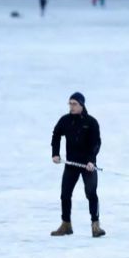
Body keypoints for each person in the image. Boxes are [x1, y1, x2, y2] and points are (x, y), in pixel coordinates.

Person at [50, 92, 105, 237]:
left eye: (74, 104)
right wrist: (55, 153)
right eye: (70, 104)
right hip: (71, 164)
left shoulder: (91, 122)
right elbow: (56, 135)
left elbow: (96, 143)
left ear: (82, 105)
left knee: (91, 193)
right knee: (65, 194)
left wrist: (91, 161)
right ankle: (66, 225)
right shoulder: (65, 120)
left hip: (88, 165)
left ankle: (96, 225)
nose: (71, 107)